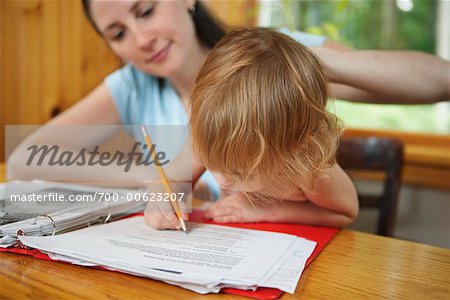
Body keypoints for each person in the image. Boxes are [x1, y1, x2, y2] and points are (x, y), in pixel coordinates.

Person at [7, 1, 449, 215]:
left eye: (145, 11)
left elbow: (440, 81)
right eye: (118, 33)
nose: (140, 40)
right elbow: (24, 160)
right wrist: (163, 177)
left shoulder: (274, 66)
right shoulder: (131, 84)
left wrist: (297, 59)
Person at [146, 28, 358, 229]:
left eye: (240, 172)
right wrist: (162, 202)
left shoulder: (309, 166)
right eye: (211, 164)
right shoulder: (211, 138)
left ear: (295, 148)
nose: (222, 181)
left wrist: (270, 211)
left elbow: (346, 213)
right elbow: (170, 181)